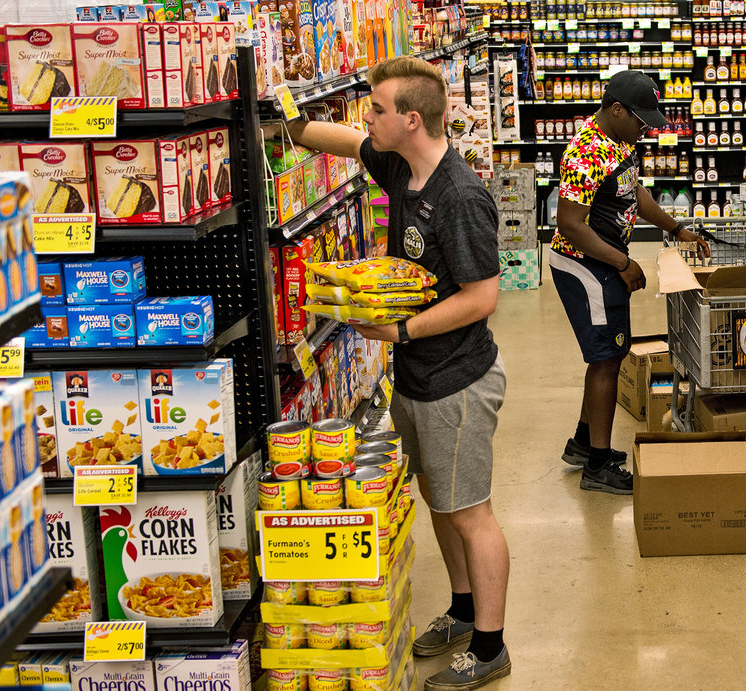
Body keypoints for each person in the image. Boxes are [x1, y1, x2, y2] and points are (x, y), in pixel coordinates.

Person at [279, 55, 511, 691]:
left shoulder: (460, 197)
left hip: (456, 379)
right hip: (415, 374)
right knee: (439, 498)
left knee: (471, 512)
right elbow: (336, 139)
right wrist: (276, 117)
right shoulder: (400, 163)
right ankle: (464, 613)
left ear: (412, 119)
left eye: (377, 108)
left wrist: (401, 330)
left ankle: (491, 646)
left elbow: (483, 296)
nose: (366, 118)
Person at [549, 70, 708, 495]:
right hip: (586, 265)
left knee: (606, 357)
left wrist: (677, 229)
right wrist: (623, 262)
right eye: (641, 120)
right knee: (607, 360)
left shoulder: (620, 142)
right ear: (616, 109)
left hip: (603, 261)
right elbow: (570, 223)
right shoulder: (587, 151)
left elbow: (635, 194)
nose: (645, 129)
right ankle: (598, 467)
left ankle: (584, 444)